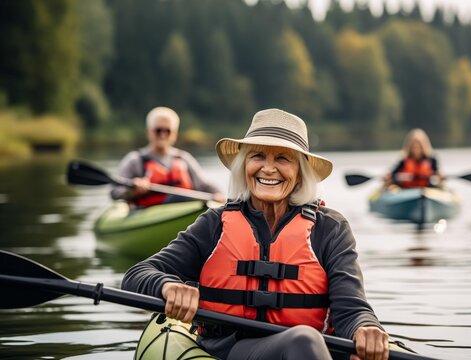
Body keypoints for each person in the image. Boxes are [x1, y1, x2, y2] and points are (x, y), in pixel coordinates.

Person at [122, 109, 389, 360]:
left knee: (306, 341)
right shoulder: (214, 224)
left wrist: (365, 327)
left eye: (282, 158)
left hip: (307, 346)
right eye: (258, 156)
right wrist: (168, 286)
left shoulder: (330, 228)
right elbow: (137, 275)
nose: (268, 169)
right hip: (231, 348)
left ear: (299, 173)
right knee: (302, 341)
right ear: (244, 165)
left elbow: (351, 308)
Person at [111, 107, 224, 207]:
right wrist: (133, 190)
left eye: (168, 131)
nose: (163, 135)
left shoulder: (184, 158)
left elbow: (205, 185)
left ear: (174, 134)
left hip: (184, 207)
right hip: (147, 212)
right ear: (149, 132)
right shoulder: (134, 160)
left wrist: (218, 195)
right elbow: (115, 192)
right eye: (158, 130)